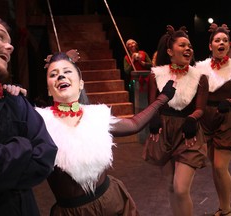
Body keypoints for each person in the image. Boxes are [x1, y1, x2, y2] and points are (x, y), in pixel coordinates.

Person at [31, 50, 176, 216]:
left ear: (80, 84)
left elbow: (134, 124)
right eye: (54, 74)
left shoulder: (97, 115)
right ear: (49, 89)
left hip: (111, 202)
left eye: (67, 71)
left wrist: (162, 98)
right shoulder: (40, 121)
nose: (61, 76)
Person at [0, 11, 58, 216]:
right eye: (0, 36)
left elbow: (46, 155)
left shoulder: (15, 99)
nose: (11, 46)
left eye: (10, 41)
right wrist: (24, 145)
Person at [143, 25, 209, 216]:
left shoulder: (199, 76)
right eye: (182, 45)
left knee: (181, 188)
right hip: (164, 133)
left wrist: (192, 119)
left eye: (189, 45)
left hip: (188, 133)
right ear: (170, 51)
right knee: (172, 188)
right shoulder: (157, 74)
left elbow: (200, 108)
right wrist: (153, 119)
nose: (188, 48)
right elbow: (153, 104)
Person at [195, 23, 231, 216]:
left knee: (219, 166)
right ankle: (223, 207)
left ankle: (226, 211)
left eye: (225, 40)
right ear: (211, 46)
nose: (221, 43)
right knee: (215, 169)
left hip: (227, 119)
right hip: (207, 119)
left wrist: (229, 101)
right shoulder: (201, 68)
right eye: (217, 40)